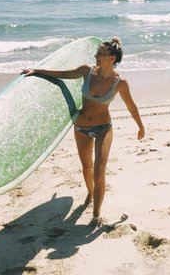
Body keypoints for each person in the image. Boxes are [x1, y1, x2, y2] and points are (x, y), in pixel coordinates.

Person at [22, 37, 145, 226]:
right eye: (96, 52)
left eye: (100, 53)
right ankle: (90, 192)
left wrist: (140, 126)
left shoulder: (120, 82)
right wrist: (37, 71)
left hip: (103, 127)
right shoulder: (86, 71)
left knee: (99, 171)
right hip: (81, 127)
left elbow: (131, 106)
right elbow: (62, 74)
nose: (96, 55)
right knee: (86, 167)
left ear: (111, 58)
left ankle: (96, 214)